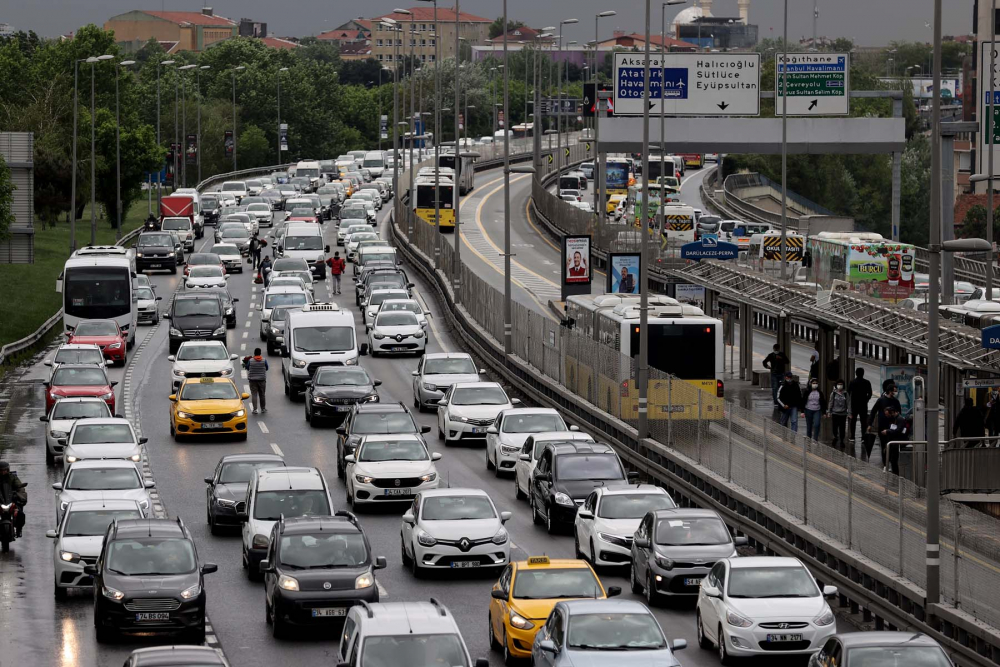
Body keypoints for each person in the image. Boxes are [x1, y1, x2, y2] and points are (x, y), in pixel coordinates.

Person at [847, 368, 873, 455]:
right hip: (863, 405)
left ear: (856, 373)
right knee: (863, 421)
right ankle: (863, 437)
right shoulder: (867, 382)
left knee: (853, 421)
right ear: (863, 373)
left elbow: (848, 392)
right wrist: (866, 399)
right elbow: (870, 393)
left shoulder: (852, 382)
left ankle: (852, 437)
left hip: (854, 404)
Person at [878, 405, 908, 475]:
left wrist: (887, 431)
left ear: (892, 413)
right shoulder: (893, 419)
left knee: (894, 459)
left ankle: (896, 474)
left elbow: (898, 430)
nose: (887, 416)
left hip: (898, 441)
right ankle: (894, 472)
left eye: (888, 415)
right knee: (892, 459)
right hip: (893, 441)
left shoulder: (900, 419)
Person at [0, 461, 26, 537]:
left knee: (20, 513)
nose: (3, 472)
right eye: (1, 470)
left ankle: (19, 529)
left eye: (4, 470)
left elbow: (20, 487)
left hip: (10, 498)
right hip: (0, 499)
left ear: (8, 470)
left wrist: (21, 495)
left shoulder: (12, 477)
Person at [243, 348, 268, 414]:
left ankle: (255, 409)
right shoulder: (264, 360)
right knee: (262, 394)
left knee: (254, 394)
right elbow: (267, 368)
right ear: (260, 353)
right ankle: (263, 408)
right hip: (262, 380)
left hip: (253, 380)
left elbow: (248, 367)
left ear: (254, 353)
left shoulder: (250, 360)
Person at [828, 381, 850, 450]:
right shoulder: (833, 394)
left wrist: (849, 413)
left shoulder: (846, 394)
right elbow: (830, 402)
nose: (840, 386)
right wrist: (829, 412)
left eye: (841, 384)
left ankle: (842, 440)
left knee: (842, 428)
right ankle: (835, 437)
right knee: (835, 427)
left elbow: (848, 403)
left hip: (843, 414)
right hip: (835, 413)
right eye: (838, 384)